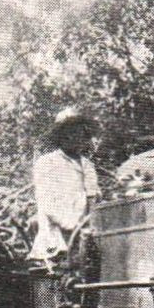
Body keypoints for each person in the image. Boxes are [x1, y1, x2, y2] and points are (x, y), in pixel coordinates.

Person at [29, 105, 101, 268]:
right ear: (61, 136)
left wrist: (93, 223)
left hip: (86, 237)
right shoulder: (47, 163)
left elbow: (93, 199)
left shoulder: (87, 165)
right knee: (62, 280)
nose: (76, 137)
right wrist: (73, 225)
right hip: (58, 237)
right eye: (70, 132)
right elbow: (47, 202)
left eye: (79, 131)